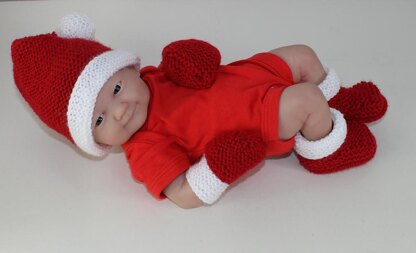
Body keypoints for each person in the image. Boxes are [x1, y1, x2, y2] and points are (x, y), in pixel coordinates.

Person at [11, 14, 387, 209]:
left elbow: (198, 71)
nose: (120, 110)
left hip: (249, 74)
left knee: (302, 54)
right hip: (257, 114)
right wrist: (219, 169)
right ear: (96, 142)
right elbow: (181, 192)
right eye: (99, 119)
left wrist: (194, 58)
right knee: (305, 100)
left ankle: (335, 103)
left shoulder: (151, 78)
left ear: (128, 68)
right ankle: (323, 147)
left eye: (116, 88)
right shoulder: (145, 148)